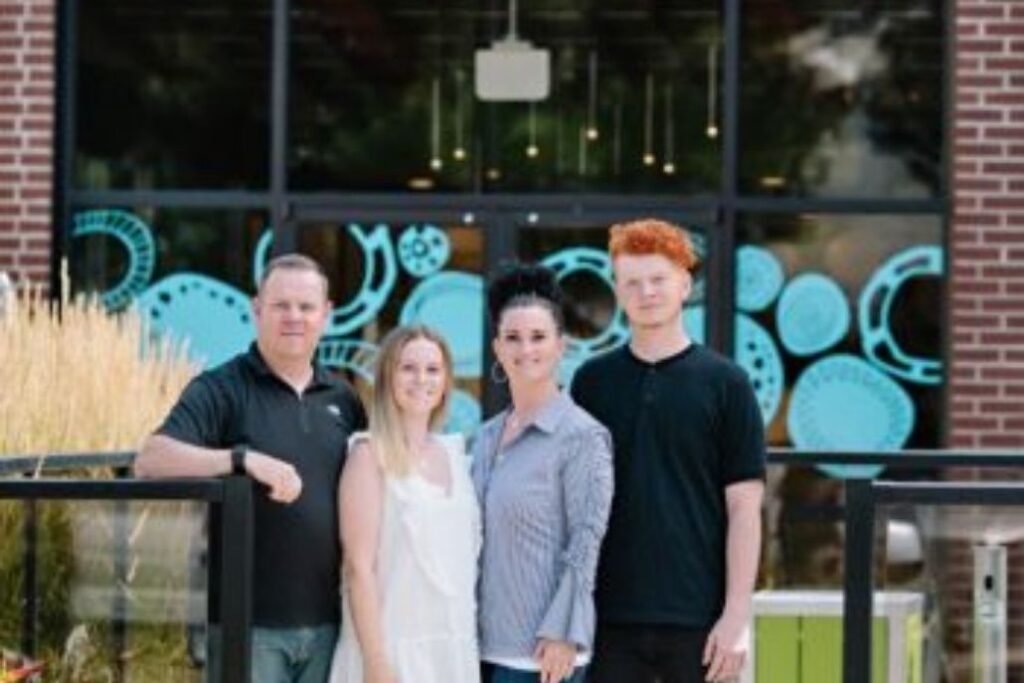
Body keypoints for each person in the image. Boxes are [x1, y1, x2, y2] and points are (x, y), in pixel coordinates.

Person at [135, 254, 367, 683]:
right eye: (281, 306)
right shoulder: (222, 388)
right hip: (247, 628)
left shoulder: (344, 398)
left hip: (332, 626)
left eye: (306, 307)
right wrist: (240, 459)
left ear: (327, 315)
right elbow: (151, 459)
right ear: (257, 309)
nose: (294, 317)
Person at [571, 218, 766, 683]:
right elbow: (571, 504)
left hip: (700, 621)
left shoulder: (727, 384)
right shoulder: (591, 383)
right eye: (632, 282)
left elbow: (744, 510)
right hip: (607, 620)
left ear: (685, 284)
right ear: (618, 291)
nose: (646, 292)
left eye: (658, 279)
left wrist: (736, 617)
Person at [471, 264, 614, 683]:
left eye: (538, 338)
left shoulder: (581, 436)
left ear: (560, 347)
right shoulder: (485, 437)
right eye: (512, 338)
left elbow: (587, 539)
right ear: (497, 348)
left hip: (541, 657)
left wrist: (564, 633)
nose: (525, 349)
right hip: (479, 647)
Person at [328, 325, 480, 683]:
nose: (421, 379)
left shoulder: (456, 455)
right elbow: (357, 568)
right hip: (390, 653)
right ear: (387, 377)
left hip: (452, 653)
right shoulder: (368, 455)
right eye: (407, 368)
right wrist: (377, 662)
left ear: (445, 381)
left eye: (433, 369)